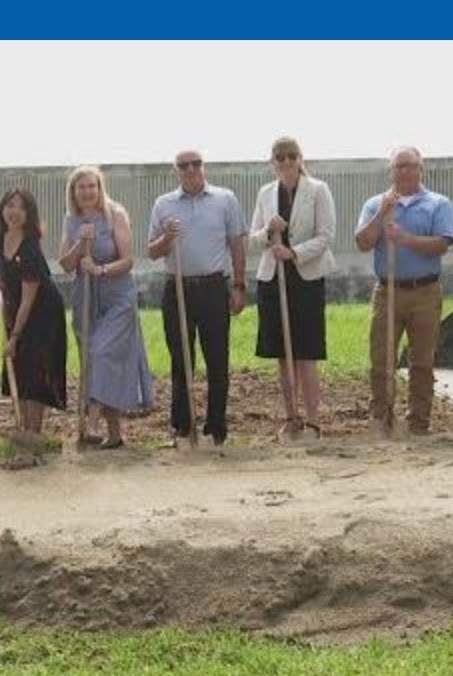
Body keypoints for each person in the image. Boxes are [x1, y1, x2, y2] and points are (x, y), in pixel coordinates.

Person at [355, 147, 453, 436]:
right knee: (381, 359)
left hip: (425, 291)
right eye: (398, 167)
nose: (403, 171)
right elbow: (363, 243)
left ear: (420, 169)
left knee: (422, 362)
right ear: (390, 171)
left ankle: (418, 423)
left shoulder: (438, 203)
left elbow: (442, 244)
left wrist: (406, 239)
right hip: (387, 291)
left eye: (409, 166)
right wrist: (381, 215)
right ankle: (382, 419)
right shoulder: (375, 203)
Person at [146, 150, 248, 447]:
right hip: (177, 288)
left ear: (204, 167)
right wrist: (166, 239)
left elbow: (237, 244)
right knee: (181, 359)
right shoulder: (164, 204)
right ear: (176, 170)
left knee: (217, 359)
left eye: (196, 164)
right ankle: (182, 426)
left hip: (214, 287)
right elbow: (151, 252)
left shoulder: (224, 199)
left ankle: (216, 428)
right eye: (183, 166)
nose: (190, 169)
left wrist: (239, 285)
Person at [60, 166, 153, 448]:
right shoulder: (71, 220)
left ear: (100, 188)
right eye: (81, 187)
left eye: (92, 186)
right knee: (95, 361)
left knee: (102, 353)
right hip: (85, 296)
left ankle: (93, 420)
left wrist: (99, 269)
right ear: (73, 193)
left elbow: (127, 261)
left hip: (117, 296)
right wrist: (80, 245)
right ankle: (114, 434)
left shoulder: (116, 214)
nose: (87, 191)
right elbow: (65, 265)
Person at [250, 137, 337, 440]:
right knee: (282, 354)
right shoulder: (265, 193)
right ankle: (291, 417)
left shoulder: (318, 190)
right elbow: (254, 238)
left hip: (306, 279)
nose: (285, 162)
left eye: (291, 156)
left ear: (300, 159)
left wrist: (294, 252)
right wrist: (269, 230)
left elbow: (326, 236)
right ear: (272, 162)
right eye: (279, 157)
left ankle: (313, 420)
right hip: (273, 280)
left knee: (306, 352)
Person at [0, 188, 68, 435]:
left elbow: (29, 300)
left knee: (35, 371)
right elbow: (3, 268)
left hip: (43, 312)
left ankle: (34, 432)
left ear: (29, 214)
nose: (14, 212)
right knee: (19, 368)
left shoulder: (30, 248)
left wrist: (14, 337)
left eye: (21, 208)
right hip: (17, 305)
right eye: (10, 205)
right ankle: (22, 428)